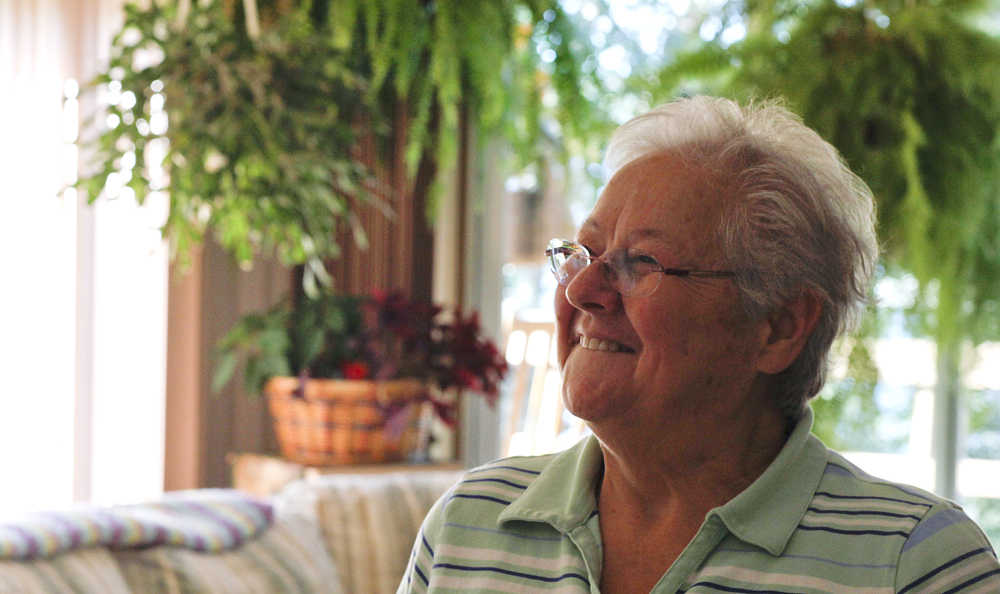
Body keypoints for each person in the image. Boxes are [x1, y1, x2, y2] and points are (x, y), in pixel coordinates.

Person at [397, 96, 1000, 593]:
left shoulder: (917, 564)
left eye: (641, 262)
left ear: (779, 327)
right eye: (583, 254)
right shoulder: (468, 525)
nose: (581, 290)